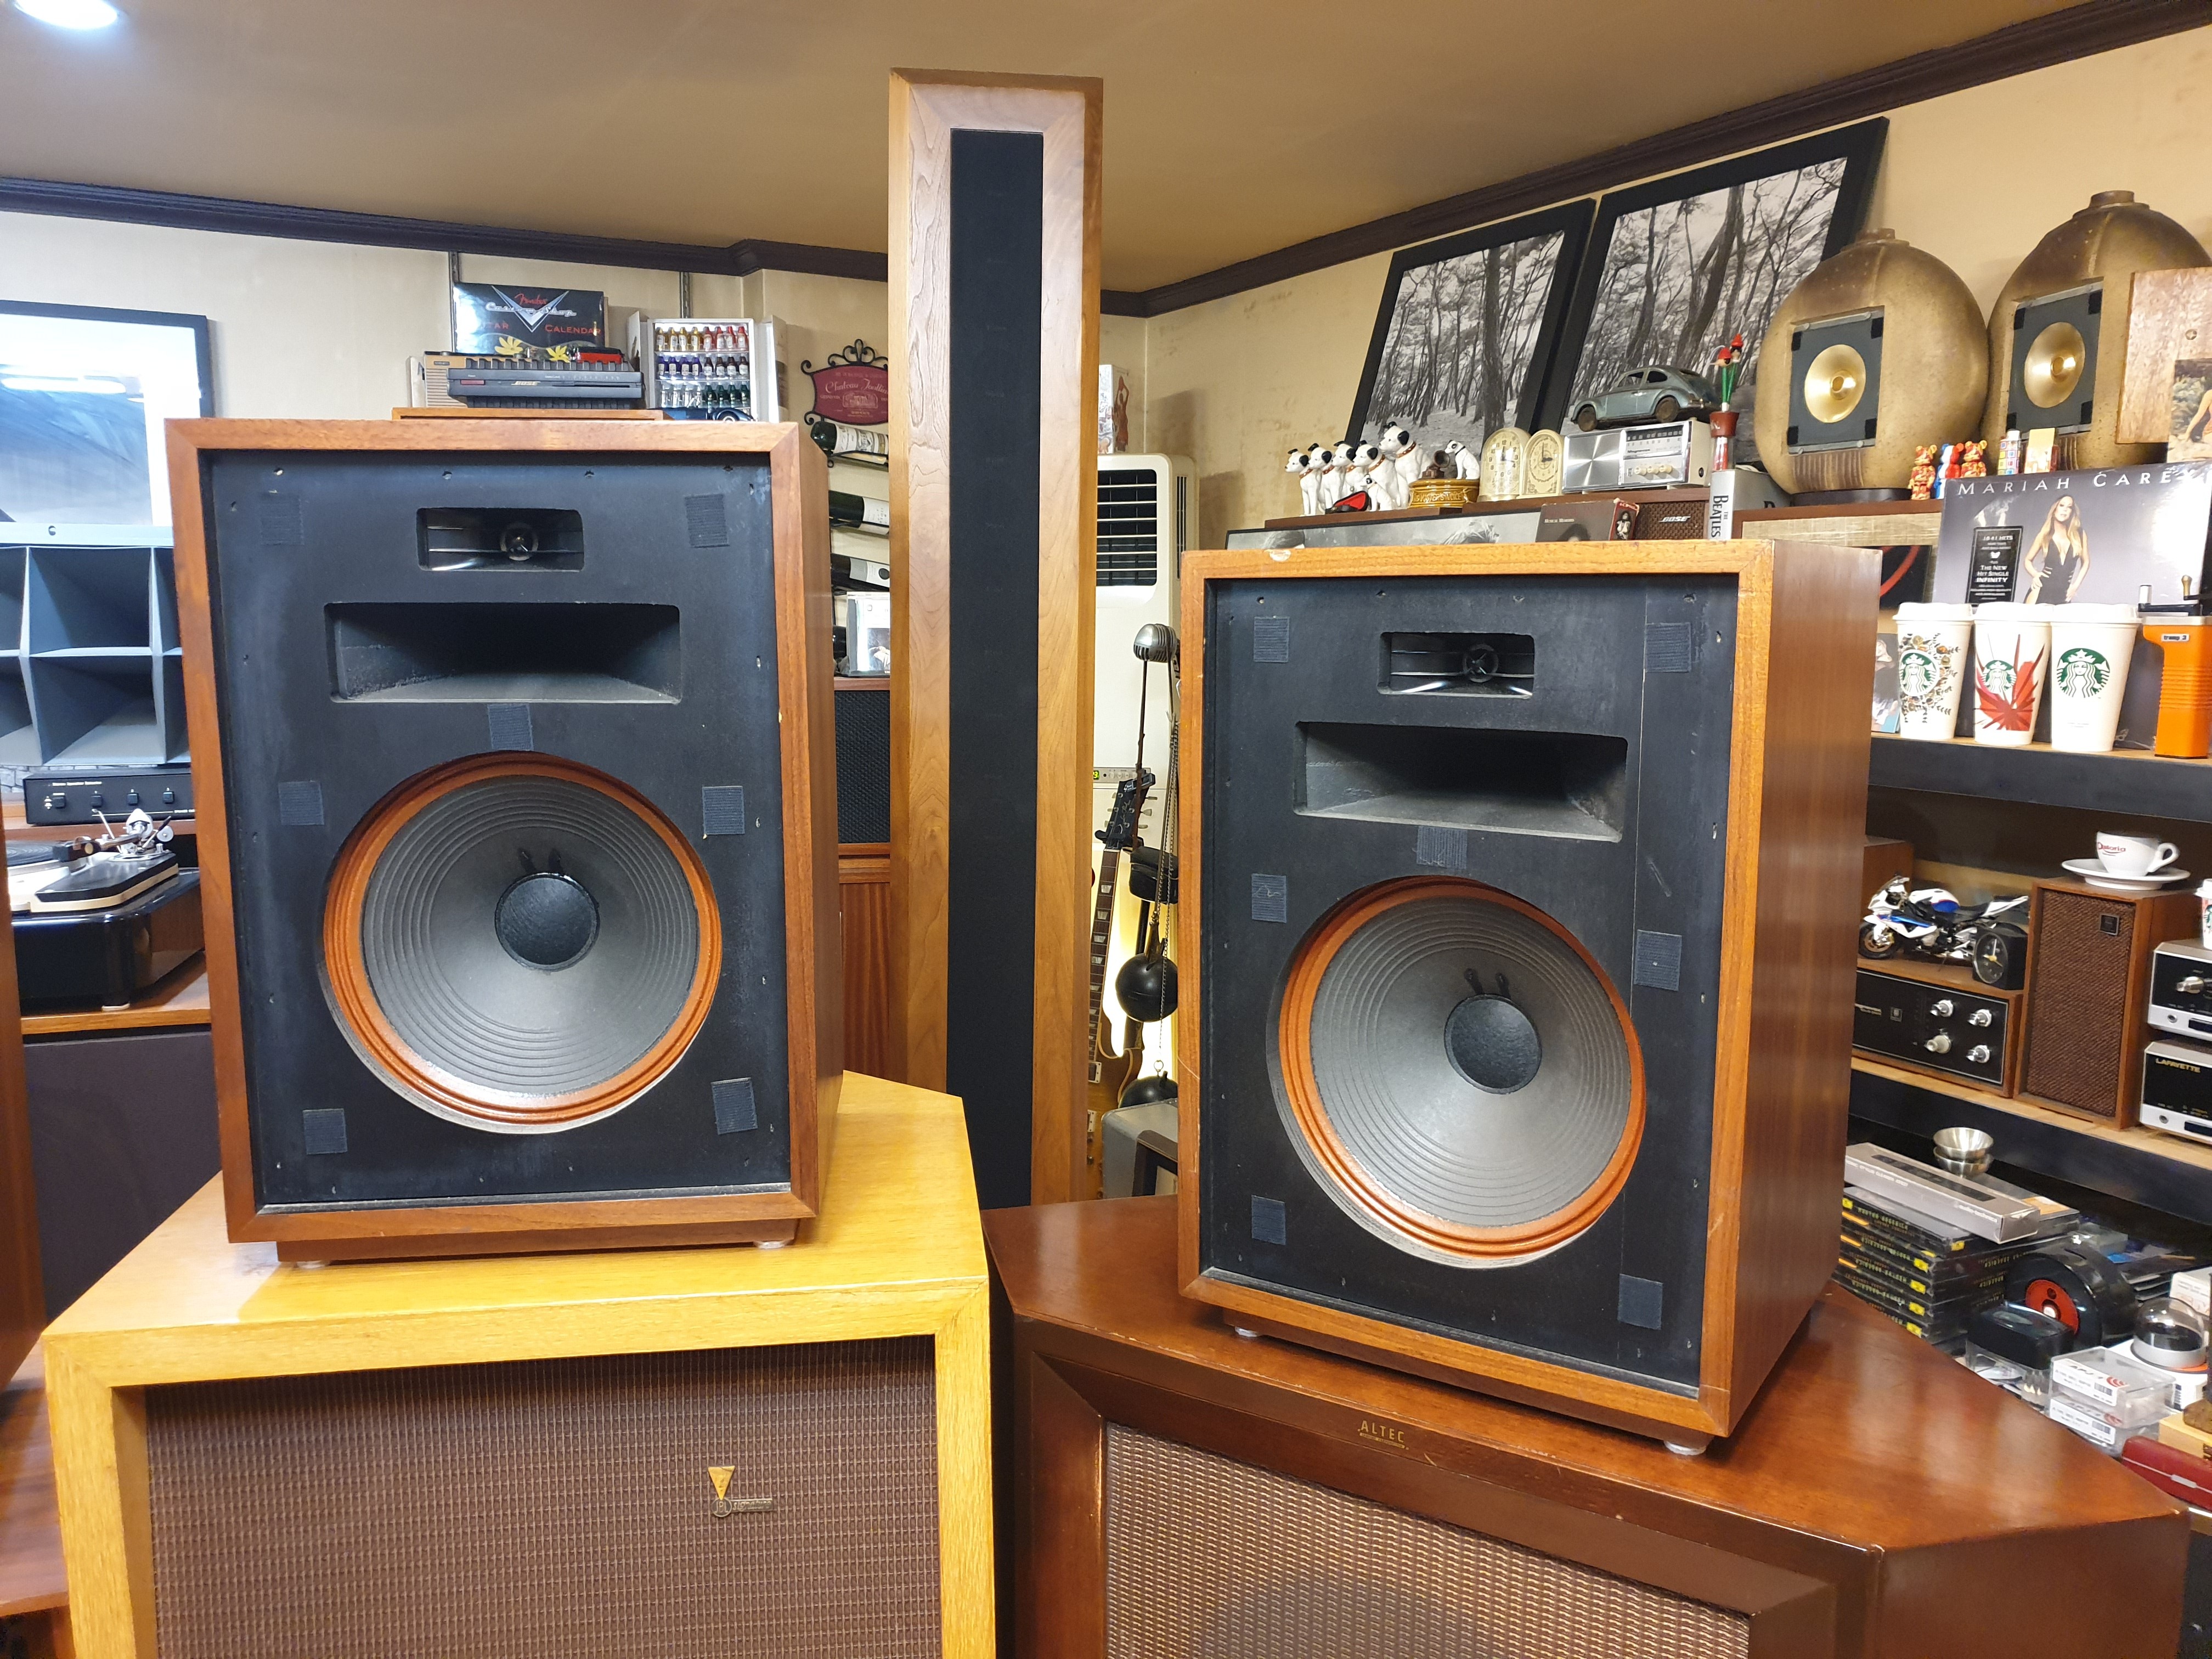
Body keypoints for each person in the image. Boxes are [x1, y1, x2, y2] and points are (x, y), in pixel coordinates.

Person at [2023, 493, 2090, 603]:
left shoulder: (2080, 535)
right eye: (2062, 505)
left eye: (2069, 507)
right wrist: (2035, 574)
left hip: (2064, 594)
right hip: (2041, 590)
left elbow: (2086, 562)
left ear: (2072, 513)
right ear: (2055, 510)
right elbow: (2027, 560)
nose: (2065, 510)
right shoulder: (2044, 536)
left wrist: (2075, 586)